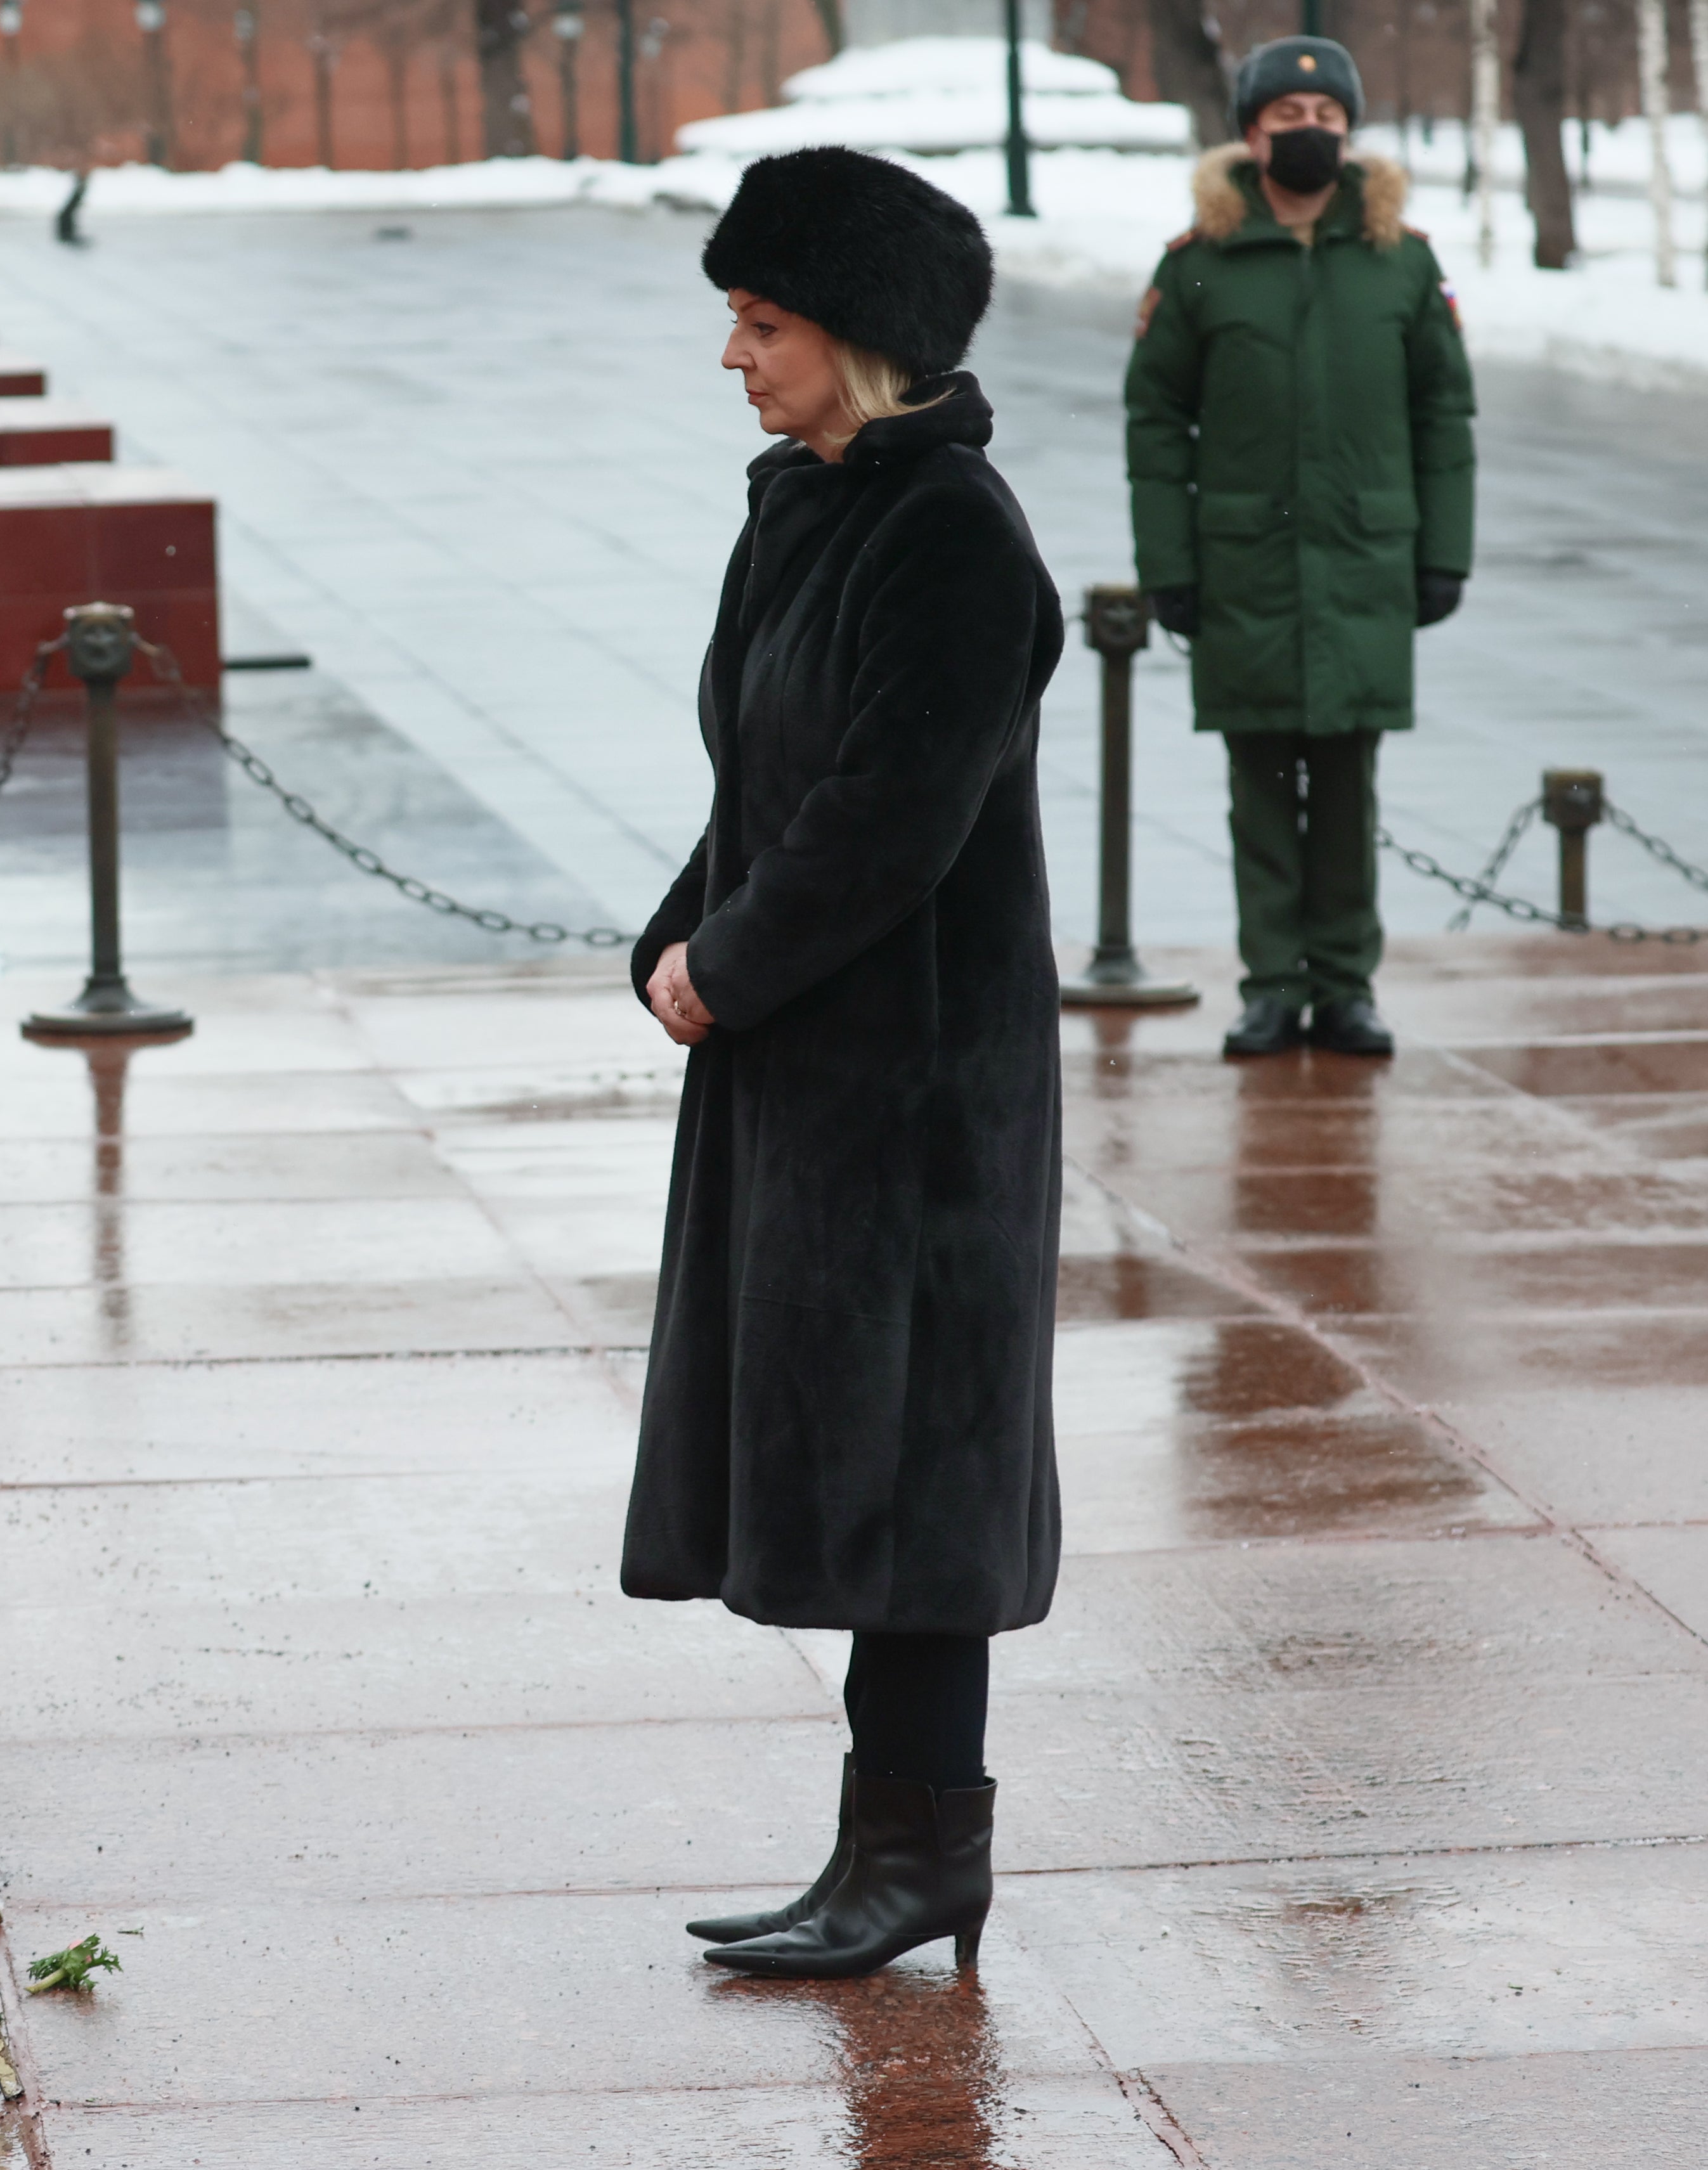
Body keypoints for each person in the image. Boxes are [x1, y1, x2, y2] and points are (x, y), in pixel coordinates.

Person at [628, 147, 1062, 1981]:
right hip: (813, 1067)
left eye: (760, 322)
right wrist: (675, 933)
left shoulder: (949, 532)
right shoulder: (802, 506)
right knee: (856, 1467)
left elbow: (892, 815)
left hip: (919, 1096)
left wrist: (722, 968)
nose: (732, 356)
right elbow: (770, 783)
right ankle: (876, 1855)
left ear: (859, 339)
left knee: (918, 1471)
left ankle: (920, 1859)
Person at [1125, 36, 1477, 1059]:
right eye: (1287, 119)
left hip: (1364, 560)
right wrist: (1169, 567)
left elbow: (1441, 415)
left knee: (1347, 786)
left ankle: (1347, 990)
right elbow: (1154, 422)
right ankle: (1272, 988)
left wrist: (1440, 553)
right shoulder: (1198, 264)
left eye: (1326, 121)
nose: (1309, 134)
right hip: (1244, 566)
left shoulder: (1400, 261)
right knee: (1263, 789)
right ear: (1250, 133)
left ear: (1349, 134)